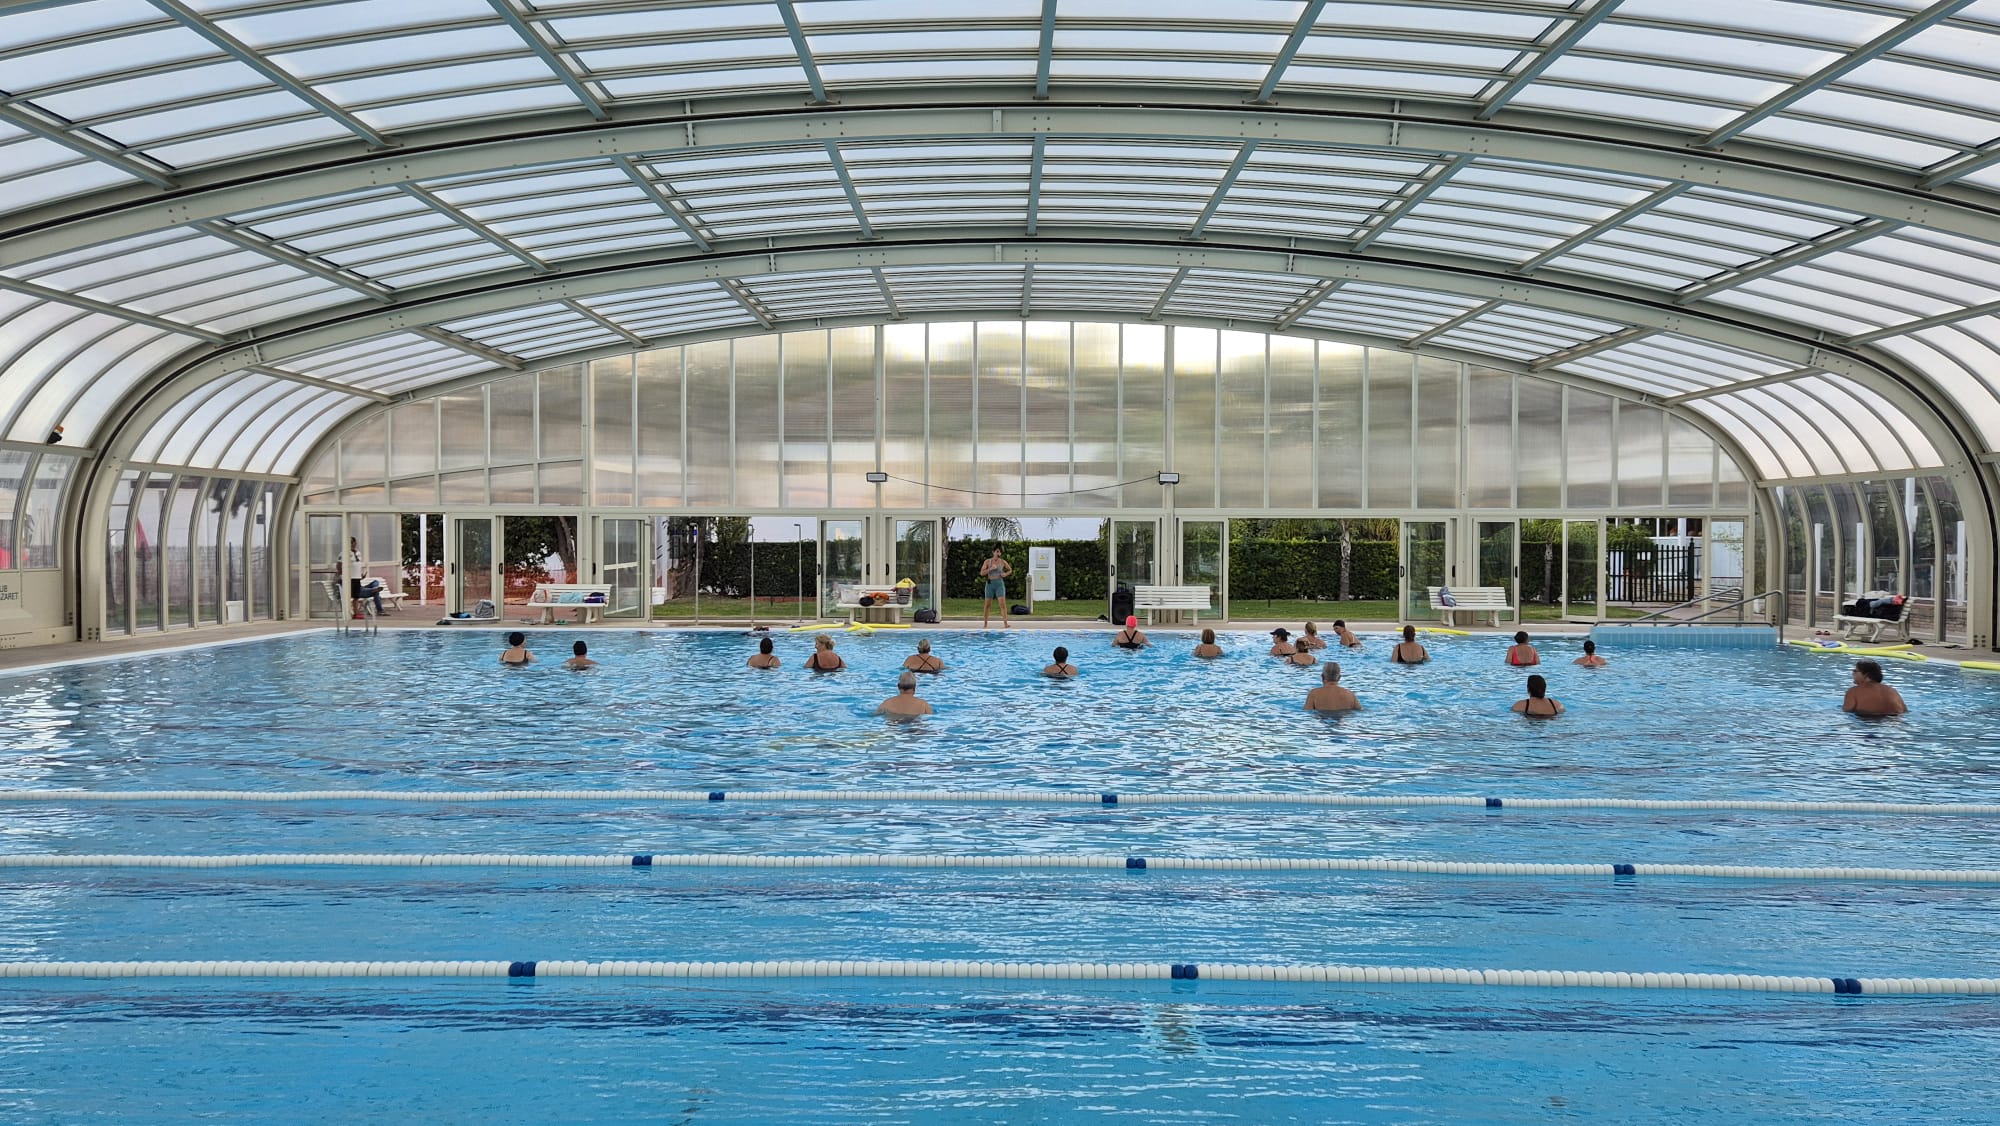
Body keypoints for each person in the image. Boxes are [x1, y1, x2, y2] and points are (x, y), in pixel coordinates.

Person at [1843, 659, 1908, 717]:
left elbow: (1846, 711)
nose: (1853, 673)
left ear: (1866, 675)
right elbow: (1904, 711)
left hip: (1868, 721)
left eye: (1855, 671)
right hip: (1894, 721)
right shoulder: (1892, 690)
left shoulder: (1854, 691)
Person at [979, 547, 1015, 629]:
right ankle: (985, 624)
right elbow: (982, 573)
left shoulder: (1002, 562)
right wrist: (990, 568)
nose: (998, 553)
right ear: (993, 552)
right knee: (987, 605)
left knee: (1002, 604)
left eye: (999, 552)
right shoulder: (988, 561)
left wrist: (1005, 574)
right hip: (990, 584)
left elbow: (1010, 570)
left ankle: (1005, 624)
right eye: (997, 551)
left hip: (999, 584)